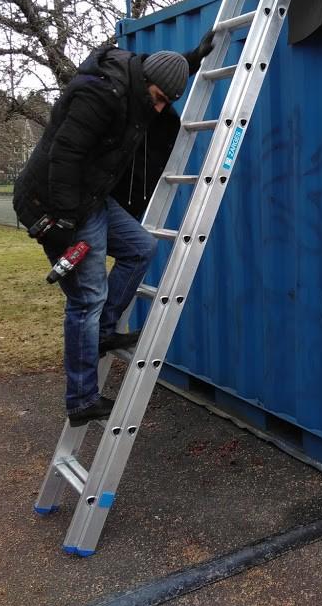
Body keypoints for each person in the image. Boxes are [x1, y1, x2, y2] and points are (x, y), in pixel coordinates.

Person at [12, 31, 214, 427]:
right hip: (54, 202)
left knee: (140, 247)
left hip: (91, 197)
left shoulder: (140, 82)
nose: (158, 109)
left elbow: (156, 76)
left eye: (166, 103)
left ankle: (104, 332)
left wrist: (190, 60)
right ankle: (81, 400)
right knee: (86, 298)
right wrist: (65, 221)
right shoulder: (101, 95)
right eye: (157, 98)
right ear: (143, 86)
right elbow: (65, 154)